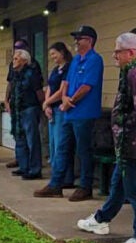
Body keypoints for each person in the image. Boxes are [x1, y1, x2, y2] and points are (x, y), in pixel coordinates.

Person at [77, 31, 136, 243]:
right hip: (128, 145)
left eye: (117, 52)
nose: (114, 56)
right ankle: (101, 219)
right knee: (120, 185)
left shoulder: (135, 75)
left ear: (130, 53)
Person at [35, 24, 104, 201]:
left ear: (89, 40)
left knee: (83, 150)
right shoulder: (75, 61)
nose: (76, 41)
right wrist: (64, 98)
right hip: (68, 112)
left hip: (84, 112)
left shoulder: (94, 60)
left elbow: (87, 86)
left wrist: (70, 101)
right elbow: (65, 83)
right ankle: (55, 184)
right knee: (62, 148)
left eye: (79, 38)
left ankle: (85, 186)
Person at [5, 48, 44, 179]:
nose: (13, 61)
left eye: (16, 58)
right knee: (19, 138)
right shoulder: (15, 73)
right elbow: (10, 87)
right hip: (17, 109)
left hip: (30, 108)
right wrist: (7, 101)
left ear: (24, 60)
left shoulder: (32, 74)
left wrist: (43, 106)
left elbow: (39, 92)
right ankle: (24, 166)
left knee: (32, 139)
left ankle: (35, 169)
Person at [42, 42, 74, 188]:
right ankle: (56, 174)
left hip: (61, 109)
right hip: (51, 109)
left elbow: (62, 91)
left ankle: (65, 177)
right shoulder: (55, 70)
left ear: (62, 52)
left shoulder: (69, 68)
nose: (52, 57)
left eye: (54, 53)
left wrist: (47, 102)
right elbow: (49, 86)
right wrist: (47, 104)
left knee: (61, 144)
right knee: (53, 143)